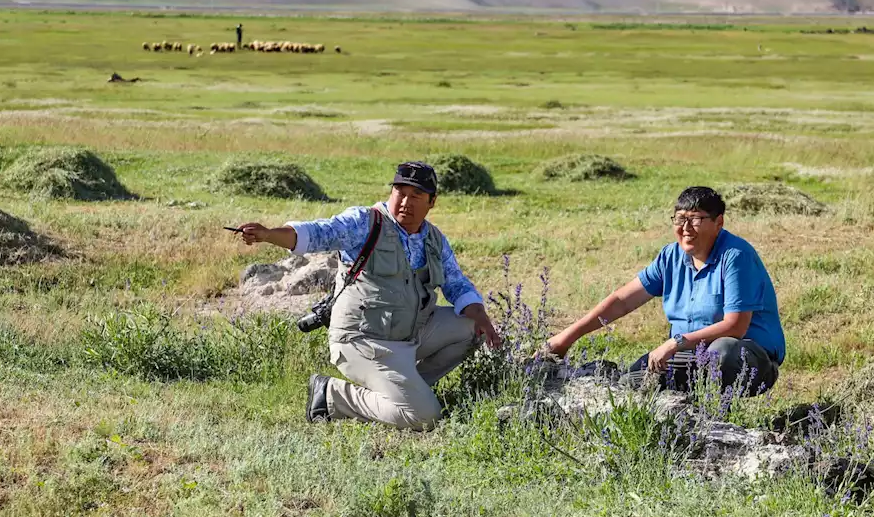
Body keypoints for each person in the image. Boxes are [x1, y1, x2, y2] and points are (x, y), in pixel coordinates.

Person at [236, 162, 502, 429]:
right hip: (362, 340)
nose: (405, 202)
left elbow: (457, 283)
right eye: (400, 191)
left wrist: (481, 315)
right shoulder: (365, 223)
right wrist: (268, 234)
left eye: (416, 196)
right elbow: (316, 233)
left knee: (472, 328)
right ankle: (333, 396)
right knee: (425, 417)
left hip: (409, 336)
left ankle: (407, 388)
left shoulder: (433, 238)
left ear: (431, 202)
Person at [544, 186, 784, 395]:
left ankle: (718, 416)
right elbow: (622, 301)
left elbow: (736, 326)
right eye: (680, 219)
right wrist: (565, 338)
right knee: (630, 384)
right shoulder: (671, 256)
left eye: (696, 219)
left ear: (718, 222)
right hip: (686, 356)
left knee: (723, 351)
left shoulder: (736, 256)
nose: (686, 228)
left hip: (749, 360)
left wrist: (674, 343)